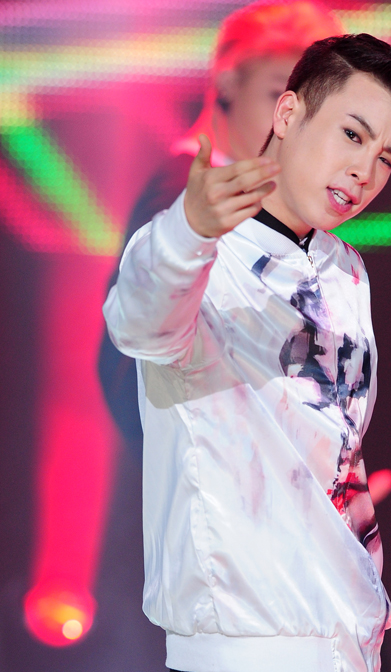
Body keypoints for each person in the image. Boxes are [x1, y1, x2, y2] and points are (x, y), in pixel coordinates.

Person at [103, 32, 391, 672]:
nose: (364, 170)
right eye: (352, 134)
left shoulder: (347, 270)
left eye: (386, 157)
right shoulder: (200, 254)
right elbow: (137, 319)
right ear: (288, 113)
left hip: (347, 642)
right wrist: (187, 229)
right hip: (253, 646)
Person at [98, 1, 343, 442]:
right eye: (278, 96)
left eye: (309, 108)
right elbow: (129, 369)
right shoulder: (186, 200)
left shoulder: (249, 201)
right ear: (229, 82)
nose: (290, 122)